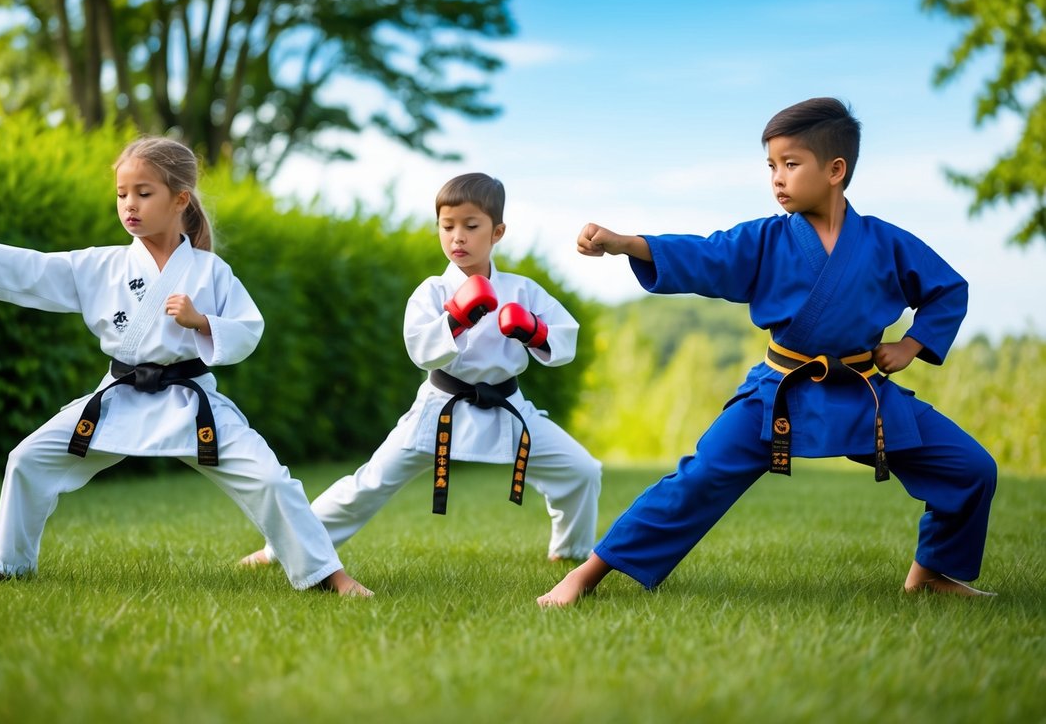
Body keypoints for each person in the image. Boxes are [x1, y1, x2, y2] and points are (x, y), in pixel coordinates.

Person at [538, 97, 998, 607]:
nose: (777, 179)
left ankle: (932, 573)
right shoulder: (765, 239)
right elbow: (705, 252)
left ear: (835, 170)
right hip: (779, 393)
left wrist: (912, 344)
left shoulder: (886, 243)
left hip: (862, 391)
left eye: (791, 164)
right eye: (771, 167)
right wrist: (627, 243)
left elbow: (947, 290)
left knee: (970, 468)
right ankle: (586, 574)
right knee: (698, 479)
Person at [0, 135, 371, 596]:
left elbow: (248, 328)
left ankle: (326, 574)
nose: (128, 205)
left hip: (188, 402)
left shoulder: (210, 271)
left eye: (143, 193)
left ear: (180, 200)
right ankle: (6, 563)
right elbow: (39, 270)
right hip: (119, 397)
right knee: (28, 460)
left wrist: (202, 322)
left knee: (271, 479)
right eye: (121, 194)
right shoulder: (103, 265)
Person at [240, 172, 602, 569]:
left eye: (470, 225)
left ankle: (569, 552)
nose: (457, 237)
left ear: (497, 232)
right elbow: (419, 347)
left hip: (507, 406)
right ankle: (281, 548)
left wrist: (535, 332)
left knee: (581, 469)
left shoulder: (523, 290)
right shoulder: (432, 291)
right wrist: (457, 319)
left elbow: (565, 337)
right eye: (447, 227)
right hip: (441, 407)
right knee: (369, 484)